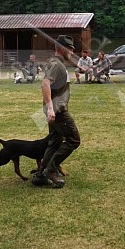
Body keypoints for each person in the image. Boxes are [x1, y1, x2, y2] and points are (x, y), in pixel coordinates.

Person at [32, 35, 80, 188]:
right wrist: (51, 108)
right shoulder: (57, 64)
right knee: (73, 139)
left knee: (54, 142)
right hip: (57, 110)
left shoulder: (57, 63)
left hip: (55, 109)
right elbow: (45, 84)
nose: (72, 52)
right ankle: (50, 170)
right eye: (70, 49)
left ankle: (40, 176)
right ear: (61, 48)